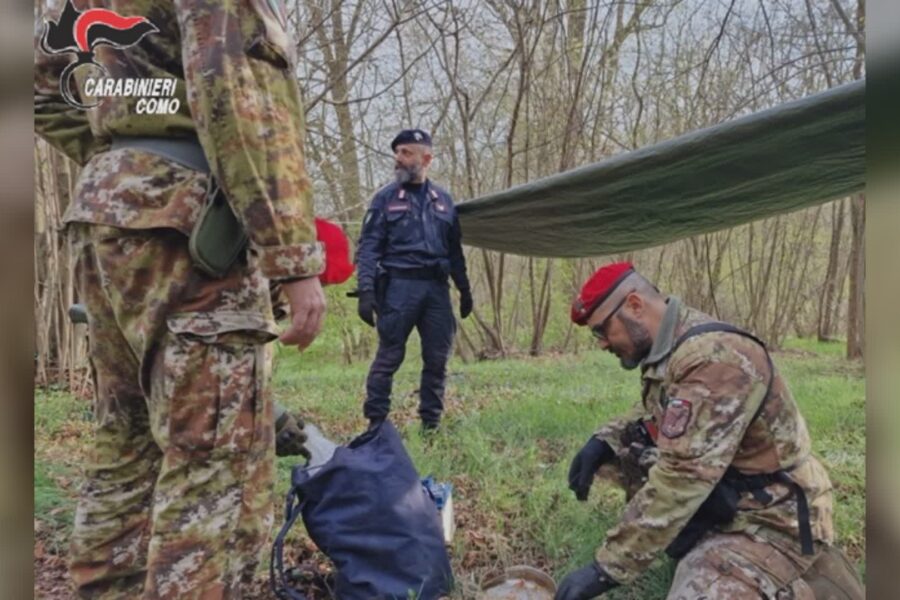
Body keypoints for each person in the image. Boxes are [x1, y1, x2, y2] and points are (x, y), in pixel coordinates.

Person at [35, 1, 326, 597]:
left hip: (108, 219)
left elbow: (38, 85)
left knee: (128, 442)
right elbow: (235, 97)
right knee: (213, 464)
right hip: (188, 231)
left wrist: (122, 158)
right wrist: (293, 258)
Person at [555, 262, 864, 600]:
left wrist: (605, 570)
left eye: (602, 331)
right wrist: (606, 440)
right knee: (627, 451)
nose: (601, 344)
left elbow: (680, 478)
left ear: (634, 306)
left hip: (773, 516)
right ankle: (691, 534)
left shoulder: (714, 357)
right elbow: (662, 410)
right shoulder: (672, 344)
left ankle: (802, 574)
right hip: (726, 491)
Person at [354, 129, 472, 431]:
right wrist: (366, 289)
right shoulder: (384, 198)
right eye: (397, 152)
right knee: (389, 357)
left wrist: (464, 288)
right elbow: (368, 247)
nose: (398, 158)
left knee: (437, 360)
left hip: (436, 290)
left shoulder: (444, 200)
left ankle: (431, 425)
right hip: (399, 287)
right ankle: (376, 427)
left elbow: (454, 249)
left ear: (426, 158)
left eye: (406, 152)